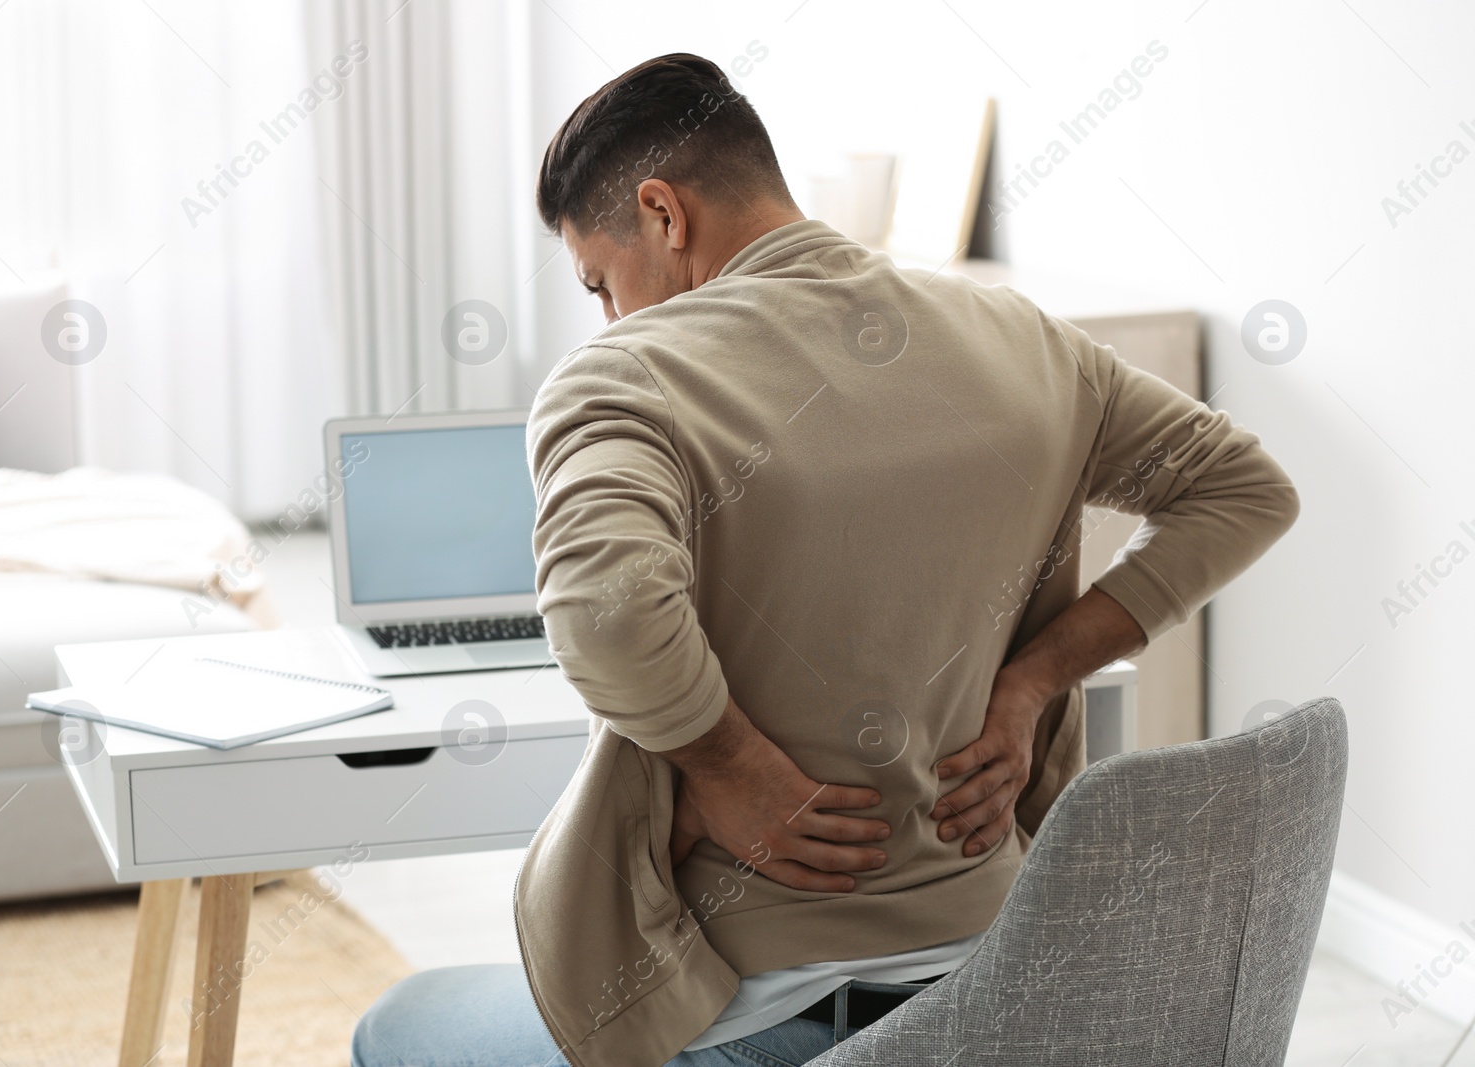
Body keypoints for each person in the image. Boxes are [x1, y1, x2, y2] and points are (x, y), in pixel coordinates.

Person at [353, 53, 1299, 1067]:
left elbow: (607, 612)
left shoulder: (623, 378)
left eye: (600, 280)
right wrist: (1032, 681)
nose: (610, 315)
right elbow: (1245, 492)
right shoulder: (1020, 336)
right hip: (991, 986)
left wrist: (725, 762)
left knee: (392, 1026)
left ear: (663, 215)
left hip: (753, 1009)